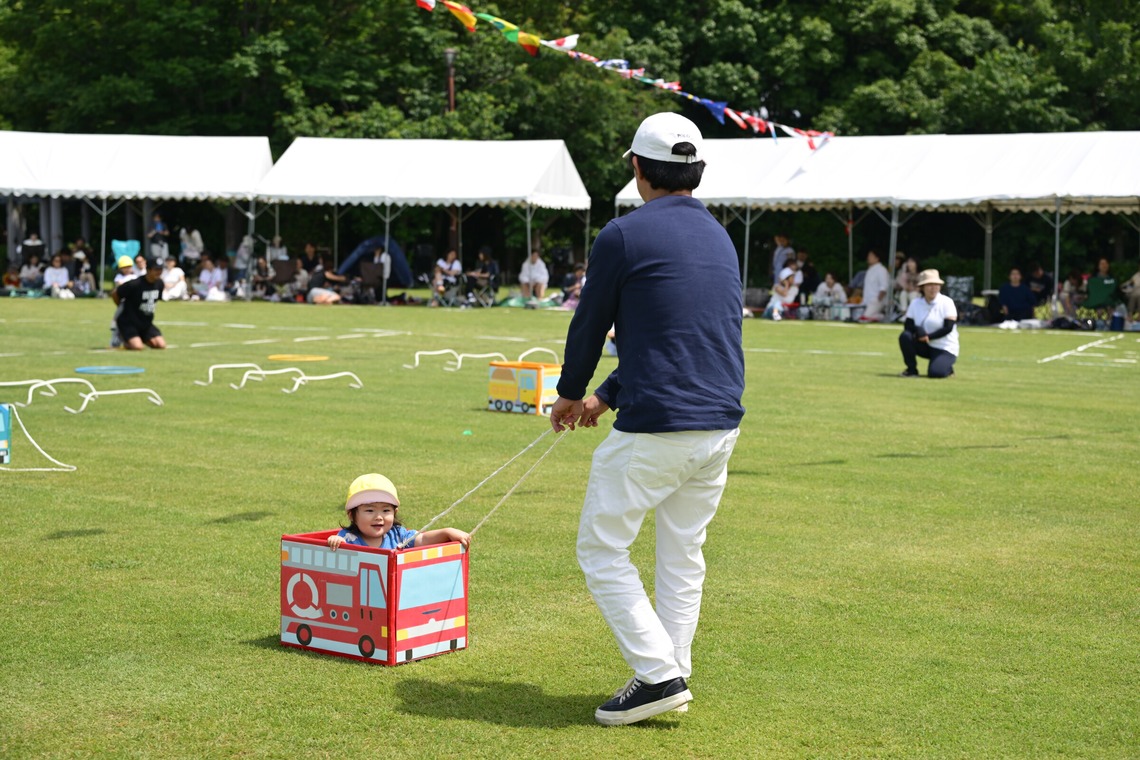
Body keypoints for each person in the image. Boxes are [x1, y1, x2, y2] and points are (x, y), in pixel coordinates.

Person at [550, 112, 744, 726]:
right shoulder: (720, 235)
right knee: (682, 554)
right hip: (719, 421)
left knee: (601, 548)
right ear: (698, 172)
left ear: (637, 169)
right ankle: (672, 669)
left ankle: (658, 675)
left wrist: (570, 391)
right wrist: (606, 394)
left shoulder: (622, 234)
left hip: (662, 422)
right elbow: (677, 335)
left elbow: (589, 324)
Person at [326, 473, 471, 552]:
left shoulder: (397, 535)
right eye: (369, 510)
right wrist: (336, 541)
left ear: (395, 512)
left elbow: (423, 539)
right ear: (352, 516)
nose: (379, 517)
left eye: (386, 510)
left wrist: (446, 532)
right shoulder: (349, 538)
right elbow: (338, 548)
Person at [898, 269, 958, 378]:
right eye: (929, 285)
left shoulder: (947, 302)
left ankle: (947, 367)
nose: (933, 288)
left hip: (944, 346)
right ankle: (911, 370)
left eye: (936, 284)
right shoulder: (915, 303)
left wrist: (928, 337)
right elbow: (908, 325)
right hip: (925, 346)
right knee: (905, 336)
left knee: (935, 373)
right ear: (922, 287)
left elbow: (948, 327)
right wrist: (918, 330)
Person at [112, 257, 166, 350]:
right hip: (128, 322)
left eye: (161, 269)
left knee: (161, 345)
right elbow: (115, 293)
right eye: (156, 269)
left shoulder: (160, 284)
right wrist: (120, 306)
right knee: (137, 347)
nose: (159, 272)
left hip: (145, 323)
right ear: (148, 270)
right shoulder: (135, 284)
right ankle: (123, 337)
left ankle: (138, 337)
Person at [1085, 257, 1118, 322]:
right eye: (1102, 264)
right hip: (1096, 304)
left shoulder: (1112, 279)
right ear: (1098, 266)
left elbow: (1115, 292)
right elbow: (1092, 293)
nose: (1104, 266)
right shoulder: (1093, 280)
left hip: (1110, 303)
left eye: (1106, 263)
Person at [861, 249, 890, 321]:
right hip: (867, 300)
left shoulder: (881, 270)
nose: (868, 258)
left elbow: (884, 286)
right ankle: (881, 316)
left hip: (876, 300)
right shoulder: (869, 270)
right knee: (861, 317)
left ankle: (883, 316)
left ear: (877, 258)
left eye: (871, 256)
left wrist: (878, 300)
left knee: (865, 317)